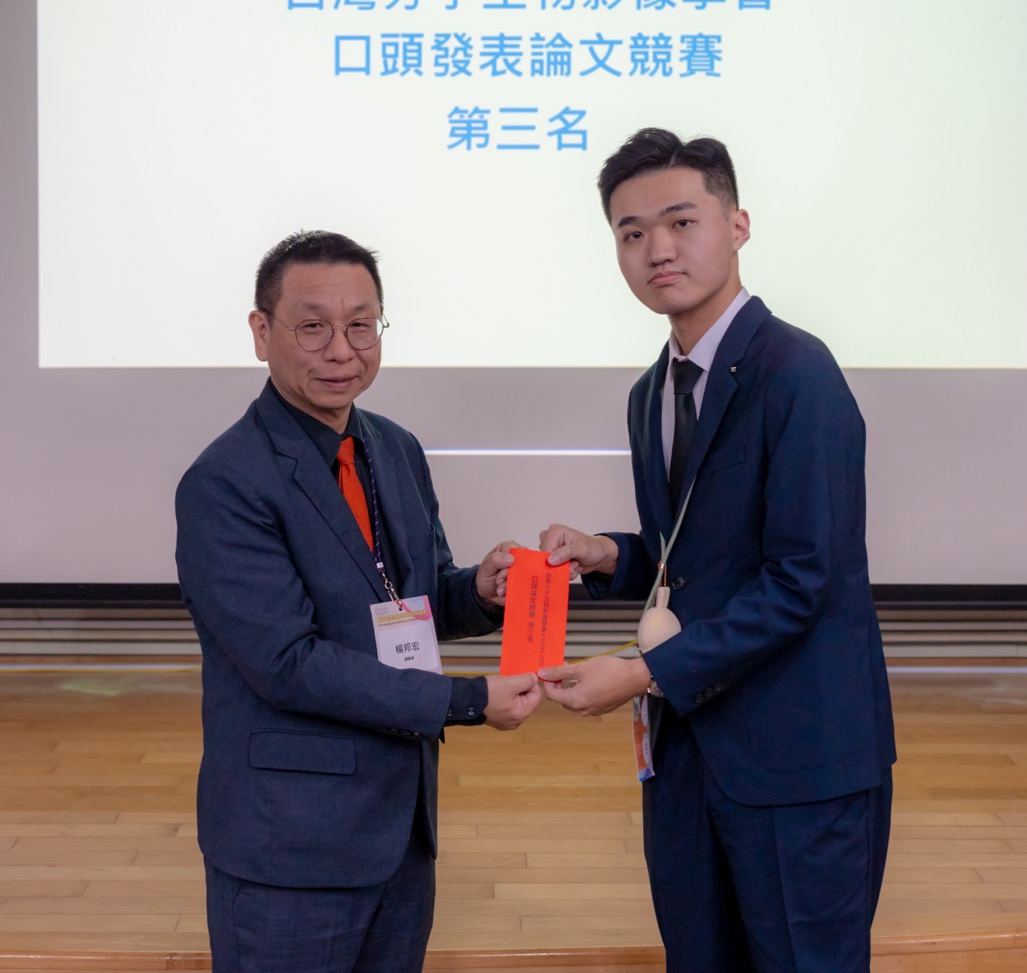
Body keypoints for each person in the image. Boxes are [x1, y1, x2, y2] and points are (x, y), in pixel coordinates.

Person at [537, 128, 896, 972]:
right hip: (689, 751)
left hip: (797, 759)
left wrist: (641, 671)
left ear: (738, 225)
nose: (657, 249)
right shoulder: (650, 391)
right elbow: (696, 558)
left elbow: (801, 579)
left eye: (681, 221)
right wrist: (609, 554)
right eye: (631, 232)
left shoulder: (798, 372)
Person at [176, 229, 542, 973]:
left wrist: (479, 591)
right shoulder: (225, 481)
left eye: (361, 325)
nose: (342, 350)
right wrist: (467, 701)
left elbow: (408, 599)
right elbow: (288, 663)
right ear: (261, 332)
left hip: (400, 828)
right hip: (291, 843)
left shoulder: (394, 447)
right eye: (312, 326)